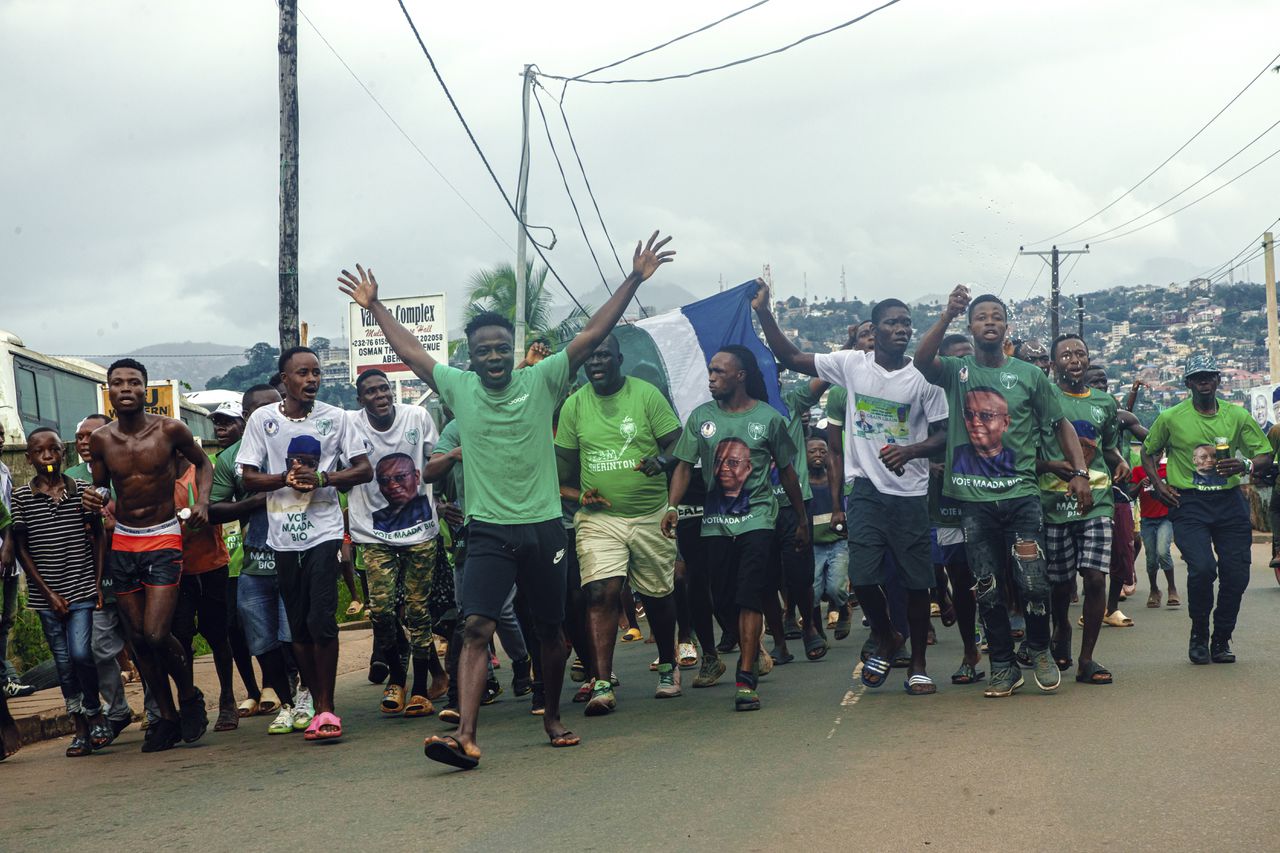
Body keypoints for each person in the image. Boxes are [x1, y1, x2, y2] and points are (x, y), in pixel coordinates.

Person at [340, 230, 675, 769]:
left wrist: (635, 277)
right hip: (489, 531)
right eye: (482, 351)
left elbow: (593, 333)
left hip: (544, 529)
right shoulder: (458, 388)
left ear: (511, 354)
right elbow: (412, 353)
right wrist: (375, 304)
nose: (493, 357)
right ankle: (466, 736)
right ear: (470, 359)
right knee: (476, 627)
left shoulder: (543, 379)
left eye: (500, 349)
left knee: (550, 630)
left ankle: (552, 715)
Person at [757, 290, 948, 695]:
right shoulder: (852, 365)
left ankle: (917, 664)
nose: (901, 329)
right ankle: (885, 635)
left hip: (910, 494)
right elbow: (792, 358)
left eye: (906, 323)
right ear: (873, 330)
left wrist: (911, 450)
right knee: (861, 578)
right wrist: (763, 312)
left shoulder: (924, 378)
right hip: (865, 490)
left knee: (916, 584)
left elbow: (944, 435)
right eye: (892, 323)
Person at [915, 289, 1092, 698]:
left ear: (1006, 327)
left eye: (997, 316)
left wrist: (1079, 472)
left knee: (1032, 581)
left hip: (1022, 497)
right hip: (975, 505)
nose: (989, 322)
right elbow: (922, 361)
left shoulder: (1030, 376)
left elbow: (1060, 424)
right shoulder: (957, 372)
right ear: (971, 327)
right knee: (987, 586)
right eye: (981, 317)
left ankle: (1039, 648)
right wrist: (946, 315)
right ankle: (1001, 665)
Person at [663, 344, 806, 712]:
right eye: (710, 371)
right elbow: (683, 464)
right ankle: (749, 646)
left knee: (749, 594)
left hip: (758, 519)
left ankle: (745, 679)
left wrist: (801, 518)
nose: (711, 378)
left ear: (739, 376)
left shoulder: (768, 418)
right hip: (714, 524)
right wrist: (672, 506)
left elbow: (788, 471)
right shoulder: (701, 418)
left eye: (719, 372)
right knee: (722, 597)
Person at [238, 348, 373, 741]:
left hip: (324, 530)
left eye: (316, 373)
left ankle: (328, 708)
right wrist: (284, 479)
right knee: (297, 626)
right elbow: (248, 477)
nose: (312, 380)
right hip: (281, 535)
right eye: (303, 373)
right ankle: (313, 700)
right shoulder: (263, 421)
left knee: (320, 619)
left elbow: (363, 469)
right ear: (284, 378)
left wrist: (323, 480)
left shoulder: (337, 418)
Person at [82, 358, 214, 750]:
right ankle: (167, 718)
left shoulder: (170, 429)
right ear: (109, 391)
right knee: (138, 639)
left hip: (163, 538)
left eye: (134, 382)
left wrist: (203, 502)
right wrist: (95, 498)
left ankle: (189, 696)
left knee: (157, 634)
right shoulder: (102, 440)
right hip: (124, 540)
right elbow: (103, 488)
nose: (126, 389)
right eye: (118, 383)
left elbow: (203, 464)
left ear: (145, 390)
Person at [554, 334, 684, 714]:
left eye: (604, 356)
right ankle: (602, 682)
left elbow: (677, 442)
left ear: (619, 359)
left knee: (658, 596)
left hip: (649, 515)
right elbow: (561, 471)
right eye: (590, 357)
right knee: (600, 592)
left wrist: (661, 461)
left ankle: (667, 664)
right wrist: (578, 496)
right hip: (599, 519)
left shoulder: (645, 395)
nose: (596, 362)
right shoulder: (574, 406)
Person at [1140, 353, 1271, 665]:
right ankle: (1199, 631)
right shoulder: (1171, 418)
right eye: (1197, 376)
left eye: (1209, 375)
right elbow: (1148, 452)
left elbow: (1264, 453)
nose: (1204, 380)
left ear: (1218, 380)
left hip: (1229, 502)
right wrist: (1159, 486)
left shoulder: (1236, 416)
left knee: (1236, 574)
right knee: (1202, 569)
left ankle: (1221, 638)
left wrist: (1245, 463)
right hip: (1189, 503)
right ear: (1188, 383)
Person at [346, 368, 443, 718]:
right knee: (383, 611)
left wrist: (445, 502)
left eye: (384, 389)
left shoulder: (417, 416)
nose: (380, 396)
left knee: (418, 611)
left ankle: (419, 689)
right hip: (373, 534)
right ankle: (397, 679)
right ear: (361, 400)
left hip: (421, 532)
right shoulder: (351, 424)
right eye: (371, 392)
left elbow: (438, 458)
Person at [12, 428, 113, 756]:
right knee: (64, 662)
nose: (47, 457)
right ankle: (79, 726)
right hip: (46, 597)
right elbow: (22, 550)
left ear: (63, 454)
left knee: (82, 654)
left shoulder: (82, 492)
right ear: (29, 458)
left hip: (81, 586)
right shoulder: (21, 497)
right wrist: (48, 594)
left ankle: (94, 710)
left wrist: (96, 583)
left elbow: (98, 536)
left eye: (53, 451)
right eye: (39, 452)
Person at [1037, 334, 1127, 685]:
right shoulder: (1042, 396)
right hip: (1054, 502)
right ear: (1054, 362)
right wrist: (1051, 467)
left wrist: (1117, 461)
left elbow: (1108, 446)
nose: (1074, 360)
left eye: (1080, 354)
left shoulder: (1105, 402)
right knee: (1059, 584)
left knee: (1094, 576)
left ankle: (1087, 658)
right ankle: (1061, 627)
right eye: (1066, 355)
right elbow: (1031, 449)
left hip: (1098, 500)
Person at [209, 385, 296, 735]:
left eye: (274, 406)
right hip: (256, 564)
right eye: (257, 411)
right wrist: (254, 502)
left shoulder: (300, 443)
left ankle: (307, 697)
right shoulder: (232, 459)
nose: (266, 415)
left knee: (296, 637)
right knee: (261, 640)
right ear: (247, 418)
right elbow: (214, 508)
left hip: (297, 558)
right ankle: (287, 702)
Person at [929, 333, 984, 685]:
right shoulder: (931, 393)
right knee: (961, 578)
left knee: (998, 573)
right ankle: (970, 651)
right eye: (957, 359)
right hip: (948, 501)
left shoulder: (990, 388)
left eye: (969, 356)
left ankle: (1009, 642)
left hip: (991, 492)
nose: (964, 365)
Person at [206, 401, 264, 722]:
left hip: (254, 551)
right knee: (233, 626)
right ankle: (252, 692)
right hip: (227, 557)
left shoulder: (252, 455)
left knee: (263, 619)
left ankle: (275, 685)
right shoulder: (214, 463)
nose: (221, 430)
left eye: (227, 423)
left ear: (243, 424)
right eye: (218, 424)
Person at [170, 449, 235, 730]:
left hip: (210, 563)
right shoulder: (158, 477)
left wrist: (205, 509)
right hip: (175, 569)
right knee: (181, 637)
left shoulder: (201, 472)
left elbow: (221, 504)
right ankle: (190, 702)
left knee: (218, 634)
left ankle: (228, 700)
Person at [0, 422, 35, 700]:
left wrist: (9, 548)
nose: (0, 440)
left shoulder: (4, 471)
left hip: (6, 557)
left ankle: (4, 681)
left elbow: (7, 515)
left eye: (1, 435)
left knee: (7, 618)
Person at [805, 436, 851, 641]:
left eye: (822, 451)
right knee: (813, 591)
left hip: (837, 542)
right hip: (813, 545)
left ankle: (844, 609)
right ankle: (817, 629)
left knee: (836, 587)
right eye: (812, 451)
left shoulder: (836, 481)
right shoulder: (802, 484)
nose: (818, 455)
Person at [1132, 454, 1179, 608]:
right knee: (1151, 557)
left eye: (1157, 453)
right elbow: (1130, 494)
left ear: (1162, 454)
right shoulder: (1139, 471)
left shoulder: (1169, 470)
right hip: (1147, 520)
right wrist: (1140, 484)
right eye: (1149, 454)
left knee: (1163, 551)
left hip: (1165, 517)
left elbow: (1179, 489)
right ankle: (1154, 590)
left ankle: (1172, 588)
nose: (1154, 457)